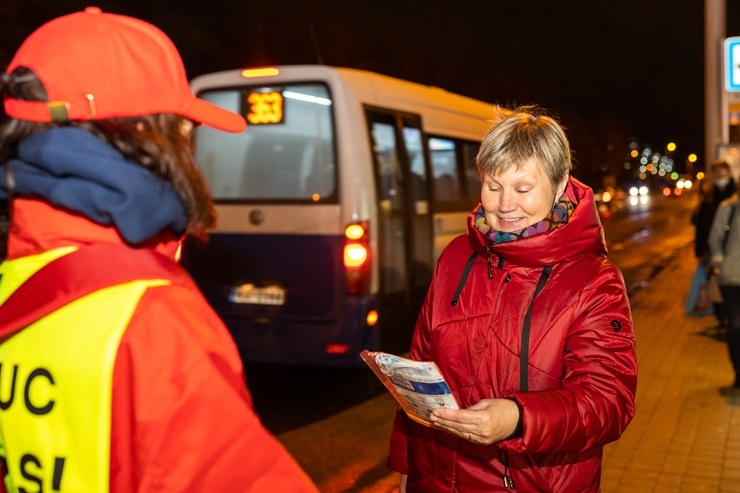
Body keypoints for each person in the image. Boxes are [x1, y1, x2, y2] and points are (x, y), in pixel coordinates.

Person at [0, 8, 317, 493]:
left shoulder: (17, 271)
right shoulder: (151, 320)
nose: (189, 145)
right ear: (138, 135)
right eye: (178, 127)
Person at [387, 106, 637, 492]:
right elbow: (420, 367)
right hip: (435, 478)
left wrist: (519, 418)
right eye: (493, 186)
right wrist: (406, 466)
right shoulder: (456, 256)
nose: (504, 205)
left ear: (558, 185)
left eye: (523, 188)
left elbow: (609, 402)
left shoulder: (595, 280)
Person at [691, 159, 736, 331]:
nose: (720, 175)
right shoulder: (709, 198)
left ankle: (731, 315)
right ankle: (722, 316)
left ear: (729, 173)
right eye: (716, 172)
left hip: (733, 248)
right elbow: (702, 226)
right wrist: (700, 249)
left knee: (731, 283)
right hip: (713, 247)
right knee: (716, 283)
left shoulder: (734, 196)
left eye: (722, 171)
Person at [708, 183, 740, 390]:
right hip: (732, 277)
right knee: (737, 326)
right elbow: (715, 238)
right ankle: (739, 370)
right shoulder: (728, 207)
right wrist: (719, 263)